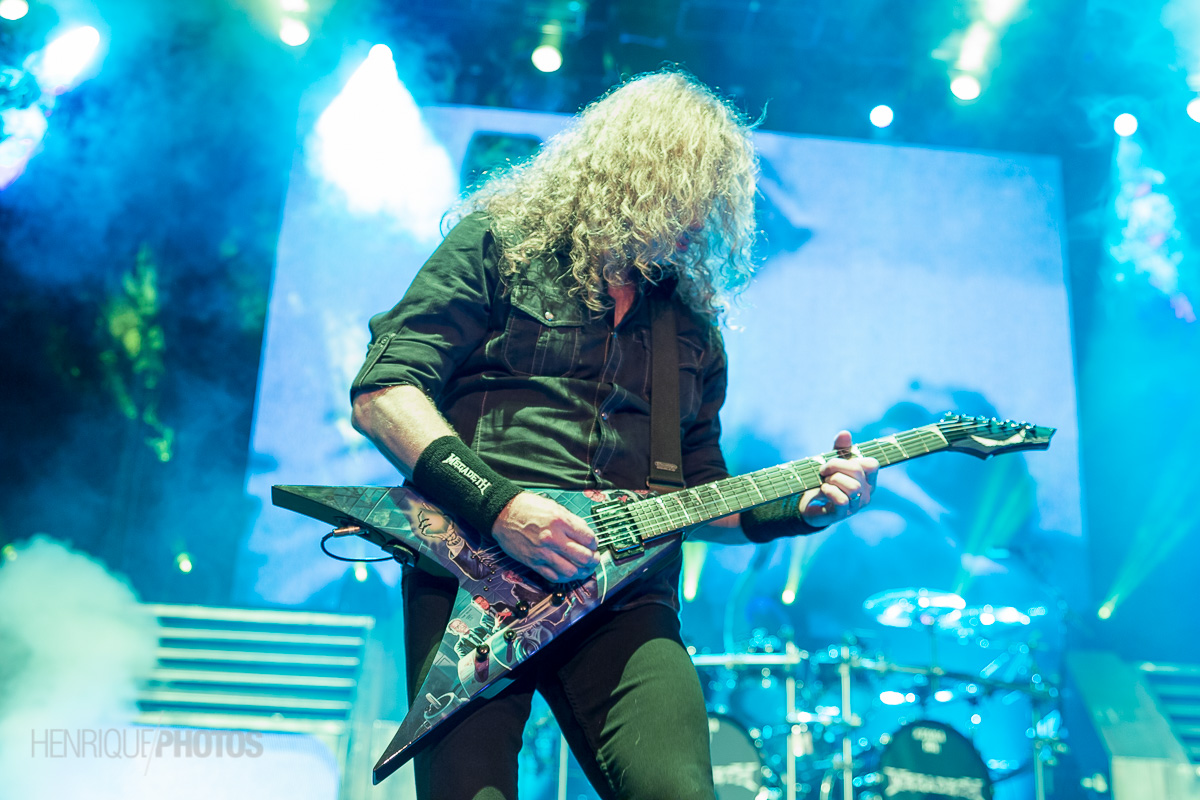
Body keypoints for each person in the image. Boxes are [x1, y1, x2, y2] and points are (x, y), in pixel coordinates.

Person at [350, 70, 879, 800]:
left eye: (712, 199)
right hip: (475, 571)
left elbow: (698, 495)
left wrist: (803, 508)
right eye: (684, 192)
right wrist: (501, 507)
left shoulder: (690, 328)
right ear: (630, 174)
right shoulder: (497, 247)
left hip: (626, 598)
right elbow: (384, 393)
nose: (697, 218)